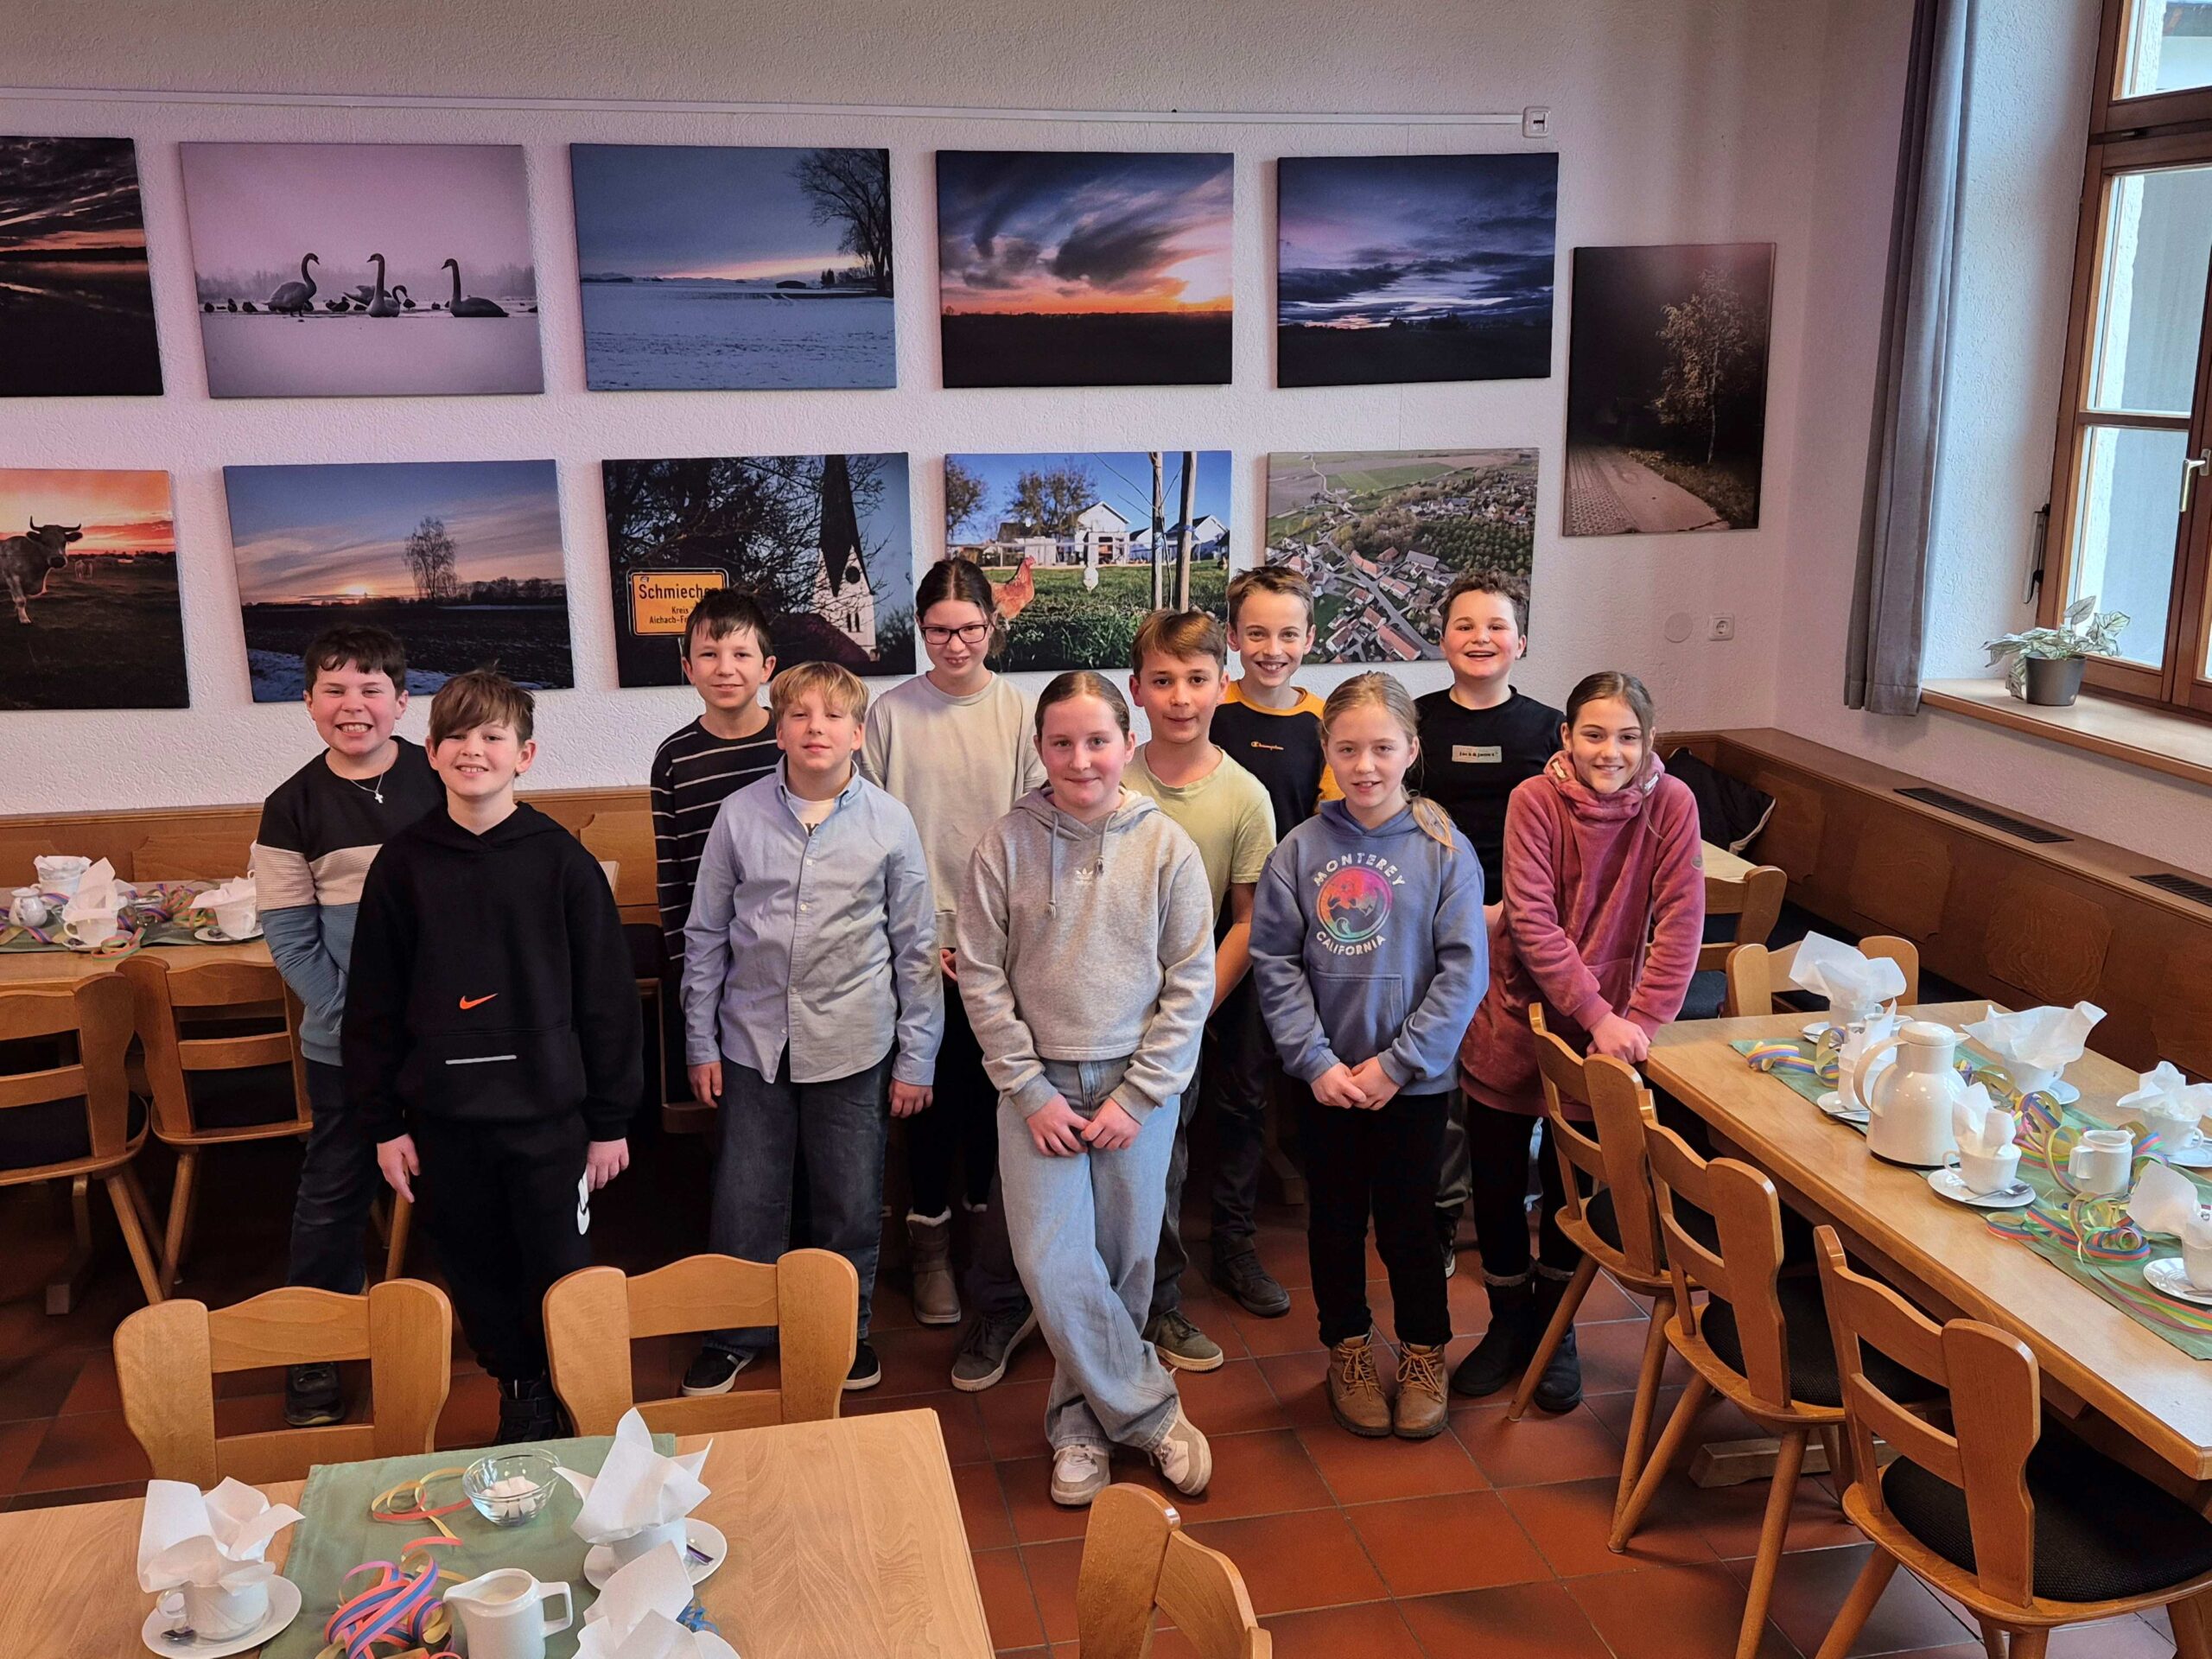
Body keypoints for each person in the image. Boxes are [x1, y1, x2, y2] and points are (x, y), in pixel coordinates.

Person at [346, 669, 643, 1444]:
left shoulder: (562, 863)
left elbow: (608, 1003)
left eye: (492, 736)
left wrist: (610, 1121)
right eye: (456, 736)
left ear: (525, 755)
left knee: (559, 1266)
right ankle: (520, 1392)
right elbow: (372, 1005)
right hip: (443, 1121)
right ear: (430, 753)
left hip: (548, 1118)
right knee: (474, 1265)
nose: (472, 750)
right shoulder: (402, 865)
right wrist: (383, 1123)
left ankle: (579, 1397)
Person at [956, 671, 1217, 1507]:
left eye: (1097, 741)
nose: (1080, 759)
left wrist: (1139, 1097)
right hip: (1038, 1087)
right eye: (1061, 743)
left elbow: (1191, 981)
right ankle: (1152, 1413)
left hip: (1137, 1084)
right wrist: (1029, 1091)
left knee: (1126, 1262)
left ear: (1127, 744)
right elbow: (982, 980)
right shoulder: (1003, 845)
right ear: (1039, 749)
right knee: (1050, 1260)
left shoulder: (1167, 847)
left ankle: (1080, 1429)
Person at [680, 662, 942, 1395]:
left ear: (858, 734)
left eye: (832, 717)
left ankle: (843, 1330)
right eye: (799, 715)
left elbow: (915, 946)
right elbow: (706, 935)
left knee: (848, 1200)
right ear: (779, 731)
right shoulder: (739, 815)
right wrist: (700, 1042)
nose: (815, 728)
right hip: (751, 1041)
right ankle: (735, 1335)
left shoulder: (890, 822)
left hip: (855, 1041)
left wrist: (917, 1059)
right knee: (746, 1198)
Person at [1452, 670, 1705, 1413]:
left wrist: (1638, 1025)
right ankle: (1508, 1322)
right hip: (1519, 1016)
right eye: (1593, 734)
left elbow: (1681, 923)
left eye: (1627, 737)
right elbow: (1531, 921)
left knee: (1575, 1187)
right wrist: (1596, 1014)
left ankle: (1554, 1325)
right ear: (1565, 737)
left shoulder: (1672, 804)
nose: (1609, 751)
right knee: (1498, 1183)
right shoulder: (1534, 800)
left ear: (1650, 741)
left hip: (1612, 1039)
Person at [1251, 673, 1486, 1440]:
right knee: (1335, 1221)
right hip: (1326, 1083)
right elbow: (1276, 963)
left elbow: (1463, 971)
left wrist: (1399, 1063)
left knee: (1412, 1224)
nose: (1365, 766)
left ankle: (1423, 1352)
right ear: (1326, 750)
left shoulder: (1444, 849)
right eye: (1348, 749)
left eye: (1383, 748)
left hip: (1412, 1085)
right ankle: (1347, 1350)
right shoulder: (1299, 851)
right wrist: (1316, 1062)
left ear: (1411, 750)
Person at [861, 556, 1046, 1391]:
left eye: (970, 628)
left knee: (989, 1094)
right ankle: (928, 1242)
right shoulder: (890, 713)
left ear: (991, 625)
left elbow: (1035, 826)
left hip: (999, 941)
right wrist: (918, 936)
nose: (956, 644)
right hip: (913, 938)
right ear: (919, 631)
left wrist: (985, 936)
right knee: (925, 1094)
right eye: (938, 631)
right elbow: (870, 826)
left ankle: (983, 1243)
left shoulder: (1018, 711)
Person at [252, 625, 443, 1429]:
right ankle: (315, 1345)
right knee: (333, 1189)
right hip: (344, 1043)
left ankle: (490, 1329)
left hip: (449, 1038)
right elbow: (291, 938)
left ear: (403, 701)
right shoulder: (290, 807)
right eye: (333, 689)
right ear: (307, 703)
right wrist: (355, 1022)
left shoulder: (444, 777)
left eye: (371, 689)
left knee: (475, 1177)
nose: (352, 705)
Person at [1122, 610, 1281, 1371]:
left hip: (1188, 1003)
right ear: (1136, 690)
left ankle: (1163, 1302)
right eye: (1162, 681)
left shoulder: (1246, 796)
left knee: (1172, 1155)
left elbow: (1246, 920)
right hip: (1100, 1005)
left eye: (1195, 679)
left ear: (1223, 685)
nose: (1180, 697)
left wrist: (1186, 1015)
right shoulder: (1109, 776)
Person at [1412, 572, 1563, 1280]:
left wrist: (1513, 910)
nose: (1481, 638)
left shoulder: (1549, 729)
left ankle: (1515, 1200)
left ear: (1521, 642)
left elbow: (1565, 834)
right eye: (1465, 625)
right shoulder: (1415, 722)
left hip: (1527, 926)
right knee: (1440, 1073)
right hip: (1433, 921)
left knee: (1515, 1067)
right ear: (1441, 640)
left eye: (1497, 626)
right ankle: (1443, 1215)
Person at [651, 591, 782, 1100]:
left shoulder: (793, 741)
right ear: (688, 668)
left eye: (741, 654)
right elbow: (671, 875)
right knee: (733, 1106)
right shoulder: (673, 758)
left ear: (767, 667)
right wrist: (688, 978)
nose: (725, 669)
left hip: (786, 956)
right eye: (709, 654)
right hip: (715, 966)